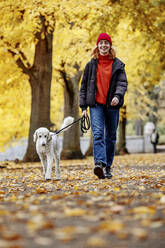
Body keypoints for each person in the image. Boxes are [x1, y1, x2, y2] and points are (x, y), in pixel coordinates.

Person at [79, 33, 128, 179]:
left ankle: (108, 167)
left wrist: (117, 96)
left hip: (112, 105)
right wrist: (83, 108)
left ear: (110, 46)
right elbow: (83, 87)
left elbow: (122, 83)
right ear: (97, 46)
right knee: (98, 134)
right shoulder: (91, 65)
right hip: (96, 105)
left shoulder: (118, 65)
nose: (104, 45)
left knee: (111, 137)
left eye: (106, 43)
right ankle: (99, 164)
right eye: (101, 43)